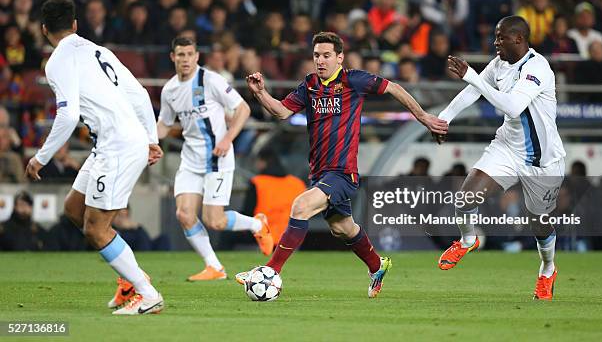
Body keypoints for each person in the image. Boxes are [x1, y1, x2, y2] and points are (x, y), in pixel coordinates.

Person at [236, 31, 448, 298]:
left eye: (326, 56)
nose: (320, 61)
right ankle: (377, 265)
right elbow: (281, 111)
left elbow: (394, 87)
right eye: (316, 56)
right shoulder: (310, 85)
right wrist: (261, 93)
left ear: (339, 57)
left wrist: (424, 117)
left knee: (301, 206)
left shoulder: (353, 80)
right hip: (320, 172)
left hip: (343, 172)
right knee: (342, 228)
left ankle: (269, 272)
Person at [24, 0, 164, 315]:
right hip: (114, 142)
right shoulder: (99, 51)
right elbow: (141, 95)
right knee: (74, 208)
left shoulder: (57, 61)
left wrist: (41, 157)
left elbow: (68, 115)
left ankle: (147, 293)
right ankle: (128, 281)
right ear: (75, 24)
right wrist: (151, 139)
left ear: (44, 29)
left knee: (96, 229)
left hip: (117, 145)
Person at [435, 16, 566, 300]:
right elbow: (474, 90)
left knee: (538, 223)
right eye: (495, 37)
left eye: (500, 38)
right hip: (507, 147)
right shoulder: (500, 64)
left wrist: (470, 74)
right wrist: (444, 118)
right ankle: (468, 240)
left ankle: (547, 269)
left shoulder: (537, 67)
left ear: (518, 39)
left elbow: (513, 105)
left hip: (543, 160)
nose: (495, 43)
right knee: (465, 198)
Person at [157, 37, 273, 282]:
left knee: (215, 221)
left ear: (197, 56)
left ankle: (256, 225)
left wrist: (227, 138)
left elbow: (243, 109)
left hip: (217, 159)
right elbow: (165, 125)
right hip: (190, 159)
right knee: (184, 214)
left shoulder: (211, 80)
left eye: (189, 54)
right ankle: (215, 267)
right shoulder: (169, 90)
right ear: (173, 57)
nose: (185, 59)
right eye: (180, 55)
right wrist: (146, 142)